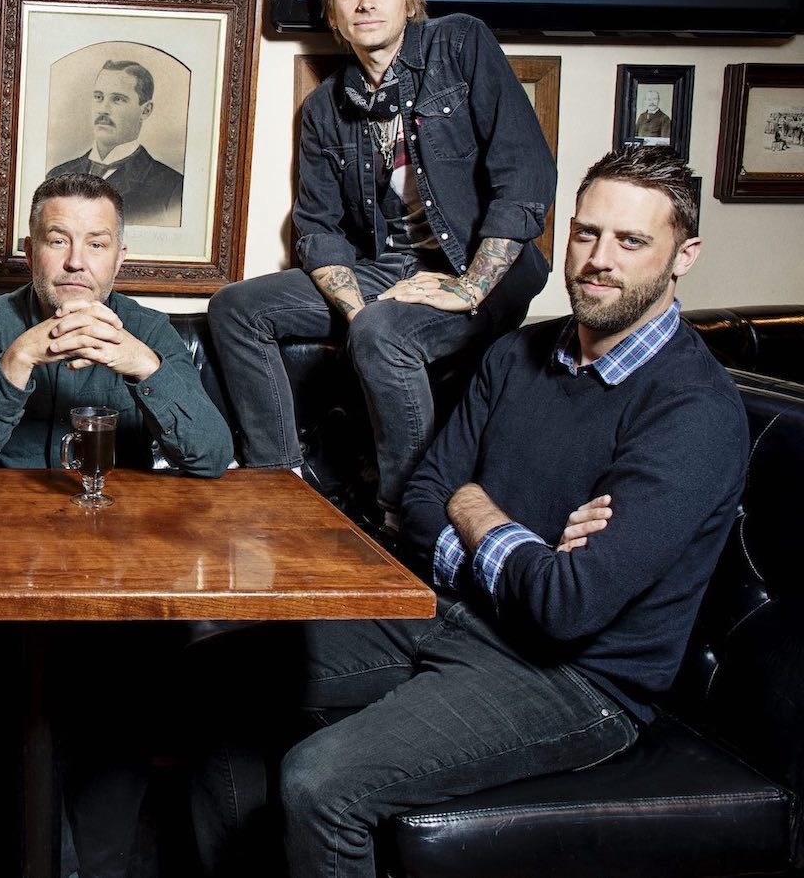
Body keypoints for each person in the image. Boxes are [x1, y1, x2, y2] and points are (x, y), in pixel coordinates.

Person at [270, 145, 747, 877]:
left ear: (684, 256)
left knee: (319, 783)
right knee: (221, 684)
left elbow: (567, 608)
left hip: (578, 682)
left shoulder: (694, 411)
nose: (598, 260)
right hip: (451, 612)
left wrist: (477, 510)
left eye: (631, 241)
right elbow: (424, 501)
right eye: (586, 233)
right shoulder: (516, 356)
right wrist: (513, 540)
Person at [209, 0, 555, 521]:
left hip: (483, 264)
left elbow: (524, 176)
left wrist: (469, 287)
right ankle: (280, 484)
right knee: (236, 308)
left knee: (383, 334)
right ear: (333, 10)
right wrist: (357, 310)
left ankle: (405, 516)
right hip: (391, 269)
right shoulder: (325, 109)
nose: (366, 3)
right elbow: (317, 228)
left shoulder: (461, 45)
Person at [0, 172, 233, 877]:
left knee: (117, 729)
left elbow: (212, 458)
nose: (76, 262)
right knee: (18, 739)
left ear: (120, 257)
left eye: (96, 244)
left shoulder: (149, 330)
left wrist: (144, 367)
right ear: (30, 250)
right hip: (4, 591)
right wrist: (18, 360)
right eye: (58, 240)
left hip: (115, 589)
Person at [45, 59, 184, 227]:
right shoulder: (57, 175)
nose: (103, 109)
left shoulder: (172, 188)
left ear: (145, 111)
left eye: (117, 99)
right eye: (98, 97)